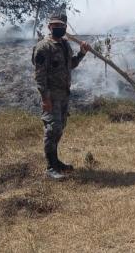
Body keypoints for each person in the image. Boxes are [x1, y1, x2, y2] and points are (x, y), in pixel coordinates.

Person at [32, 14, 91, 180]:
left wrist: (81, 53)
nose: (59, 27)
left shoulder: (65, 45)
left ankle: (56, 162)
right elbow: (39, 76)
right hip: (51, 95)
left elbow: (70, 65)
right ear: (49, 27)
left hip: (64, 94)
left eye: (62, 25)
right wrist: (45, 99)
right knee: (51, 129)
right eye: (56, 25)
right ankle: (50, 167)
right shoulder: (43, 47)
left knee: (59, 128)